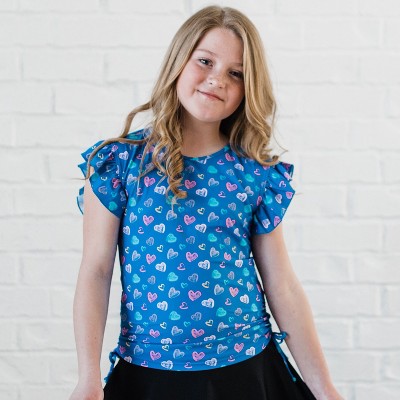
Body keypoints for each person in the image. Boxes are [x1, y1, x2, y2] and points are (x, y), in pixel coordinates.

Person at [70, 6, 343, 400]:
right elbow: (96, 271)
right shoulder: (121, 162)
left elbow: (282, 285)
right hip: (149, 371)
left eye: (236, 73)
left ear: (248, 89)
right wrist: (88, 376)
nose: (217, 79)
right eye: (205, 61)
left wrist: (326, 389)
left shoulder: (254, 173)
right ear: (179, 61)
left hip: (247, 368)